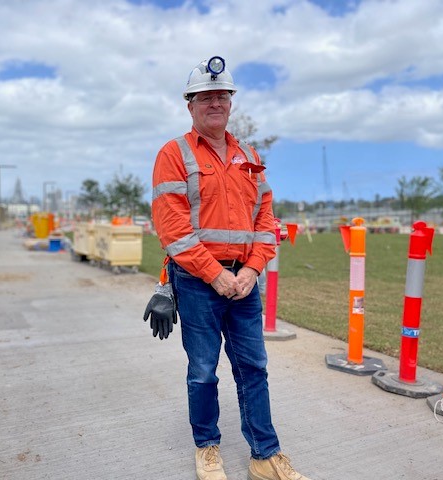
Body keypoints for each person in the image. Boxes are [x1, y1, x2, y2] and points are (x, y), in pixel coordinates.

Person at [148, 56, 310, 480]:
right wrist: (215, 274)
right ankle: (207, 447)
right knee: (203, 371)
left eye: (222, 95)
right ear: (191, 106)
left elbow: (266, 220)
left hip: (244, 280)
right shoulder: (174, 154)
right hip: (200, 282)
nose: (215, 102)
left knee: (253, 368)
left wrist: (252, 270)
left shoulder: (248, 155)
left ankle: (265, 455)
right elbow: (173, 227)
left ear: (231, 101)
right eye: (206, 97)